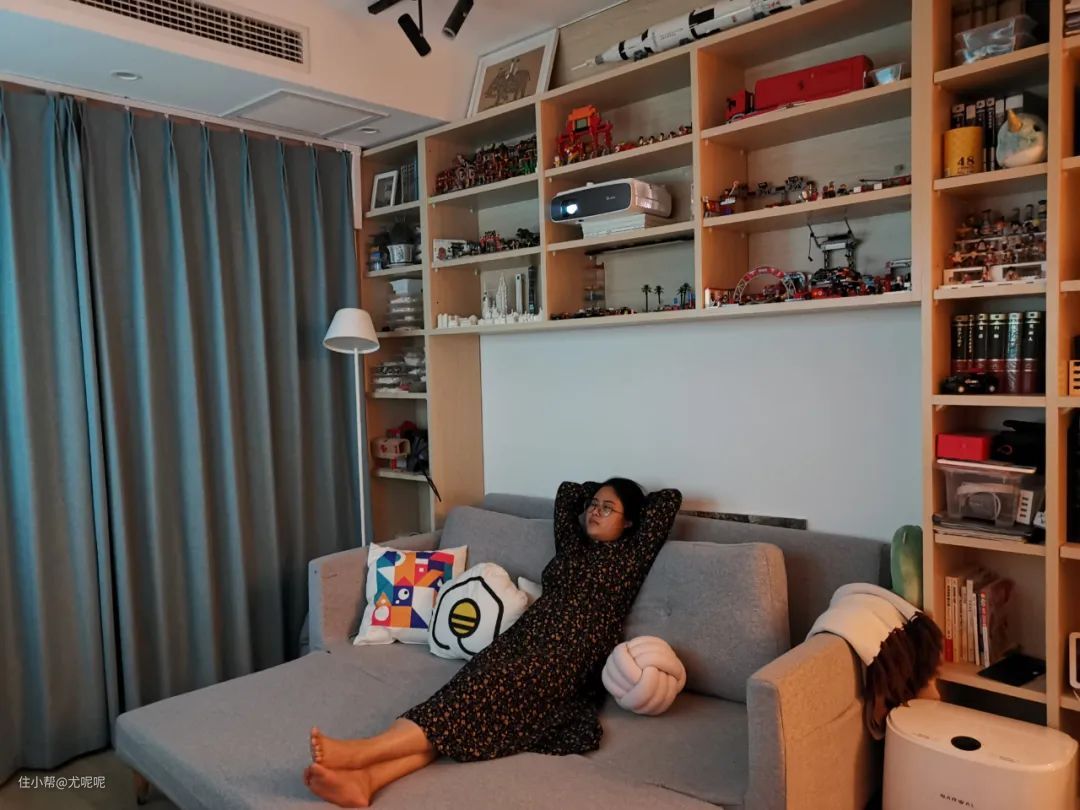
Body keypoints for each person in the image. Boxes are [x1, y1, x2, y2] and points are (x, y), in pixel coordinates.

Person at [303, 478, 683, 807]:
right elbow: (568, 492)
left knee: (478, 693)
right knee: (465, 700)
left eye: (607, 508)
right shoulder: (572, 544)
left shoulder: (632, 555)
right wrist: (594, 497)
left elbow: (669, 501)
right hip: (527, 636)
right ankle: (367, 781)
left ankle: (362, 752)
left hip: (572, 652)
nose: (595, 512)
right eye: (594, 505)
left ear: (630, 521)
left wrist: (625, 504)